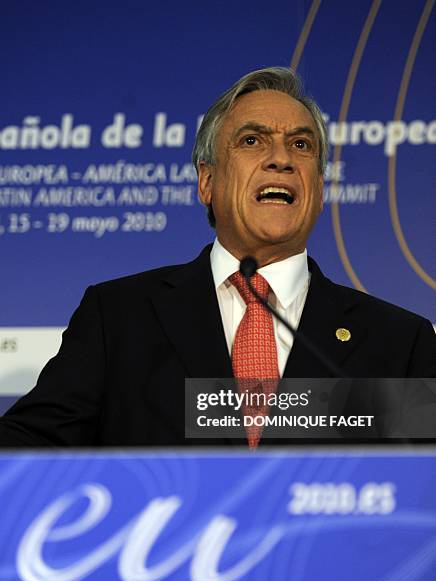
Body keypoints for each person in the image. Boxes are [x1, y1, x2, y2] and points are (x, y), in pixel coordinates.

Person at [0, 67, 434, 447]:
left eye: (301, 146)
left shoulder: (399, 343)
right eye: (252, 140)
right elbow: (31, 446)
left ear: (320, 191)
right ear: (207, 182)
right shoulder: (117, 319)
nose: (281, 159)